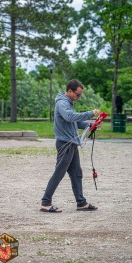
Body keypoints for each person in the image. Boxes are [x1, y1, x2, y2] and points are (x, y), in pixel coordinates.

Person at [40, 79, 101, 213]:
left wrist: (92, 125)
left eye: (80, 95)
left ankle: (81, 203)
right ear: (69, 91)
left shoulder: (68, 103)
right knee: (59, 173)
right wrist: (90, 113)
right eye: (77, 95)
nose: (79, 97)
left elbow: (75, 123)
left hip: (72, 144)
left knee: (76, 173)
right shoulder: (62, 103)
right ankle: (45, 202)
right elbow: (69, 117)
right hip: (65, 144)